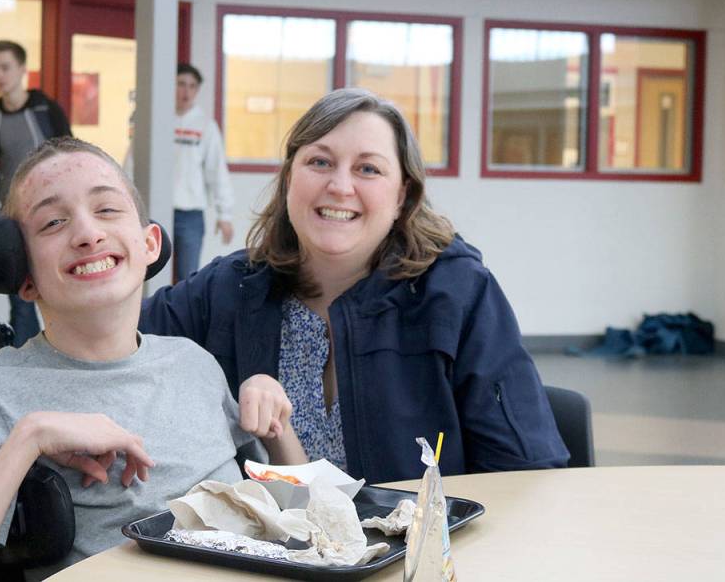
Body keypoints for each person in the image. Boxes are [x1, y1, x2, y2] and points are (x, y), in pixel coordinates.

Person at [0, 138, 303, 581]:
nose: (88, 234)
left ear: (150, 244)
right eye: (53, 222)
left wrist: (276, 419)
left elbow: (304, 514)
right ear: (24, 277)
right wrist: (28, 439)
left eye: (107, 210)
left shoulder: (195, 364)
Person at [140, 88, 569, 484]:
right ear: (290, 177)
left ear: (403, 195)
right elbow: (108, 344)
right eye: (320, 162)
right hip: (260, 559)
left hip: (422, 557)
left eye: (368, 169)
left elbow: (524, 475)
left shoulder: (457, 292)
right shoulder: (228, 289)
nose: (340, 186)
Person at [0, 40, 72, 347]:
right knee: (22, 293)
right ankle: (26, 363)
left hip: (57, 217)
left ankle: (68, 351)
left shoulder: (46, 110)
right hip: (14, 218)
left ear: (21, 70)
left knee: (59, 284)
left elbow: (70, 155)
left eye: (5, 67)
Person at [126, 63, 235, 281]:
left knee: (187, 277)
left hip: (190, 214)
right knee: (148, 271)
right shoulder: (155, 119)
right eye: (181, 84)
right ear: (171, 86)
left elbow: (216, 170)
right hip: (153, 210)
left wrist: (225, 215)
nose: (186, 91)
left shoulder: (205, 125)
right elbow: (133, 158)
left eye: (192, 86)